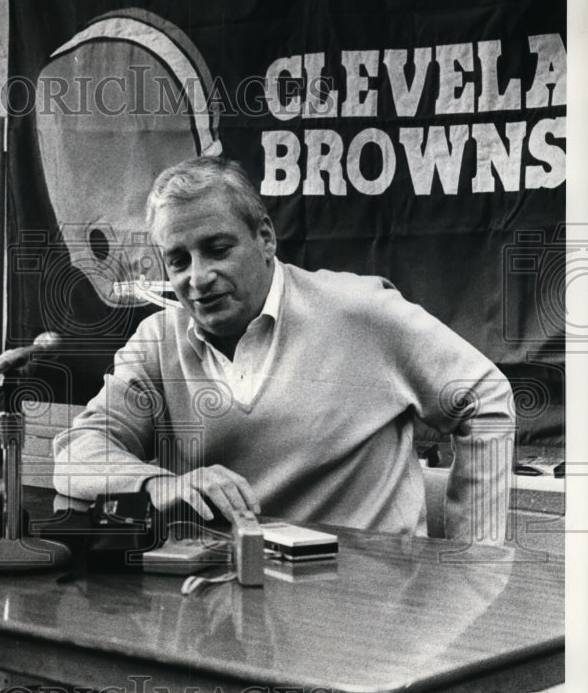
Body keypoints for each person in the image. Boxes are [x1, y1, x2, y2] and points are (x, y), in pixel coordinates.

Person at [53, 156, 513, 545]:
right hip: (222, 607)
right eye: (178, 260)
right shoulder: (157, 341)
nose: (198, 277)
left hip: (372, 613)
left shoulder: (360, 312)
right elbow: (78, 454)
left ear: (265, 239)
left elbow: (484, 396)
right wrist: (157, 484)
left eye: (217, 249)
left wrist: (474, 559)